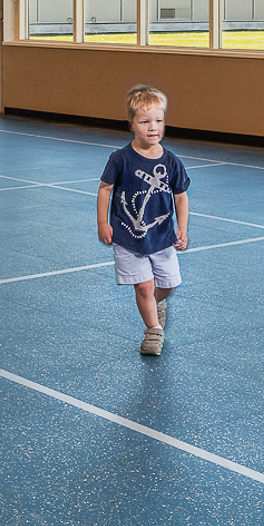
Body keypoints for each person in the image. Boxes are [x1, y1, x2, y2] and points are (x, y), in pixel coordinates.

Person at [96, 85, 189, 356]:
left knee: (168, 284)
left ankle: (155, 304)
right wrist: (103, 222)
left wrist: (182, 228)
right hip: (128, 236)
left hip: (162, 237)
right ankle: (153, 332)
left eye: (158, 121)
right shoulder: (121, 159)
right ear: (132, 125)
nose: (153, 127)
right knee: (144, 285)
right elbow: (105, 188)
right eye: (145, 121)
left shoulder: (171, 162)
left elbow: (181, 196)